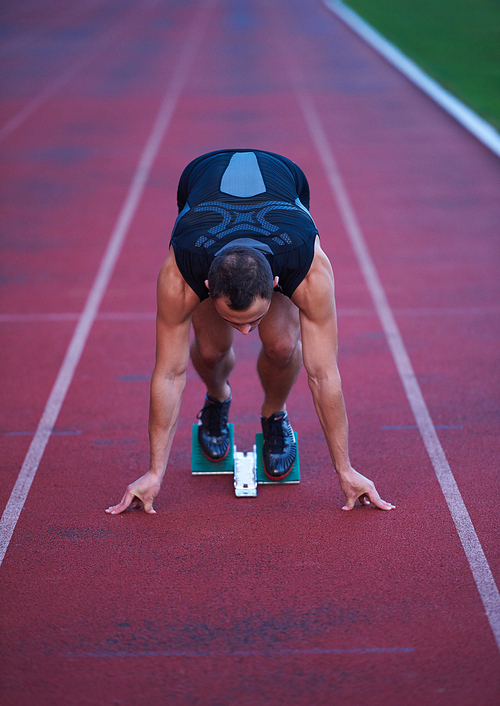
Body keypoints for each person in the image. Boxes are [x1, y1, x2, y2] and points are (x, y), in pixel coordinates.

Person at [106, 149, 395, 515]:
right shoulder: (182, 270)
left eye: (253, 319)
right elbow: (168, 373)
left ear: (276, 284)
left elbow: (323, 374)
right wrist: (154, 472)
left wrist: (346, 469)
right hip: (199, 183)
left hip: (285, 185)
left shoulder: (306, 266)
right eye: (235, 319)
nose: (245, 333)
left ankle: (275, 416)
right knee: (210, 351)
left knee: (283, 344)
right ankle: (216, 399)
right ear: (207, 287)